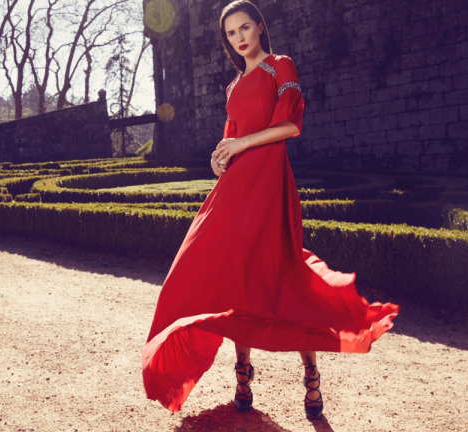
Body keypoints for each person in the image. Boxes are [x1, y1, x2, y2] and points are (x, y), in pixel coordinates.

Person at [141, 0, 399, 419]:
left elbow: (291, 126)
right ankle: (243, 373)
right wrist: (219, 157)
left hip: (269, 184)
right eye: (231, 33)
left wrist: (241, 144)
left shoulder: (280, 66)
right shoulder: (231, 85)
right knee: (226, 277)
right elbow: (231, 138)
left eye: (245, 28)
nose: (239, 38)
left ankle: (311, 379)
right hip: (235, 188)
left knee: (283, 275)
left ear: (260, 27)